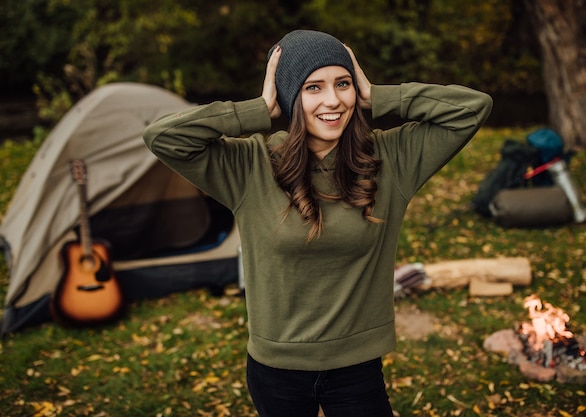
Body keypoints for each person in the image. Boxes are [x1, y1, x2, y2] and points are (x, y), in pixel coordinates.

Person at [143, 29, 492, 417]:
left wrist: (377, 96)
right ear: (291, 96)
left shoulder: (391, 159)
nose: (333, 100)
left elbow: (471, 109)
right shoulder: (249, 165)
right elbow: (163, 137)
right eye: (313, 87)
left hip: (356, 369)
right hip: (276, 369)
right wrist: (259, 109)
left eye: (342, 83)